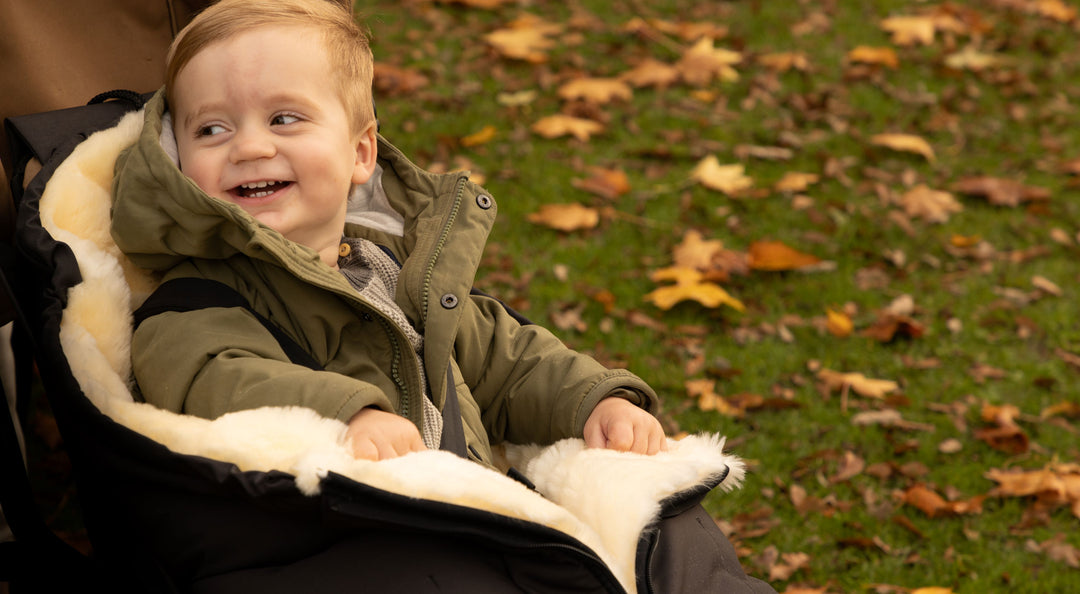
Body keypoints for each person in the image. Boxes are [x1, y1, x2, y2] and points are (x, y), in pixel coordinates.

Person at [109, 0, 774, 591]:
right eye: (211, 130)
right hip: (335, 539)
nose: (250, 146)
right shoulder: (197, 296)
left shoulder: (393, 272)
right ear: (178, 164)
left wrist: (596, 397)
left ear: (361, 153)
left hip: (473, 516)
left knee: (665, 526)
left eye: (284, 118)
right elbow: (216, 379)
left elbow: (508, 355)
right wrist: (349, 416)